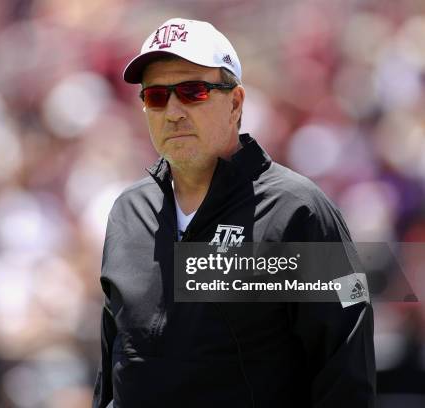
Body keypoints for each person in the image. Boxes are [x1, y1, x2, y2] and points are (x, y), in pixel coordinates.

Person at [93, 17, 375, 408]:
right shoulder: (127, 213)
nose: (172, 111)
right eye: (156, 96)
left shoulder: (298, 212)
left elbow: (346, 372)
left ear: (236, 102)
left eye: (193, 91)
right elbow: (113, 372)